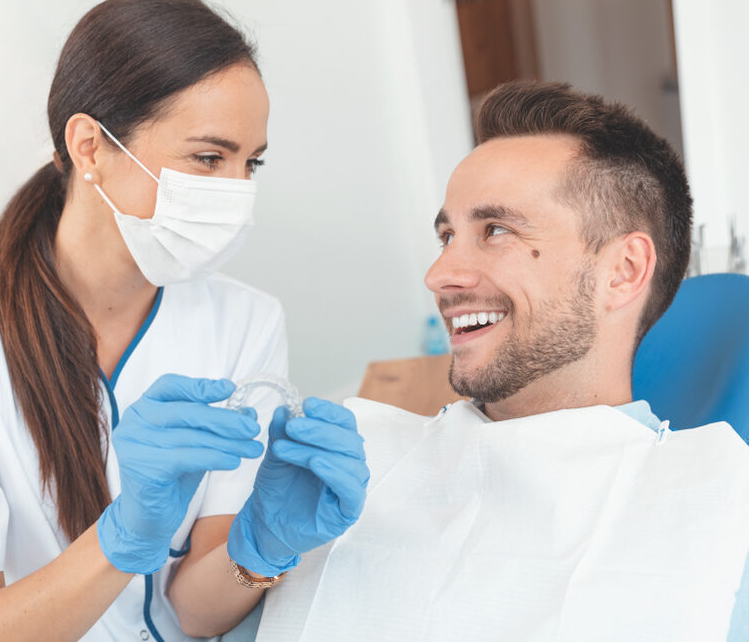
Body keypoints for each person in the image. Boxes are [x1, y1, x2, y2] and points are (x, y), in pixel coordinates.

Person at [253, 82, 749, 641]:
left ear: (624, 271)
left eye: (496, 231)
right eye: (447, 236)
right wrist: (245, 561)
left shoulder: (718, 524)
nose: (439, 276)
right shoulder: (354, 470)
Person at [0, 0, 367, 642]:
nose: (237, 192)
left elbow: (195, 614)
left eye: (251, 163)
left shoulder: (245, 322)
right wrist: (119, 539)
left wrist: (261, 546)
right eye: (209, 158)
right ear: (90, 146)